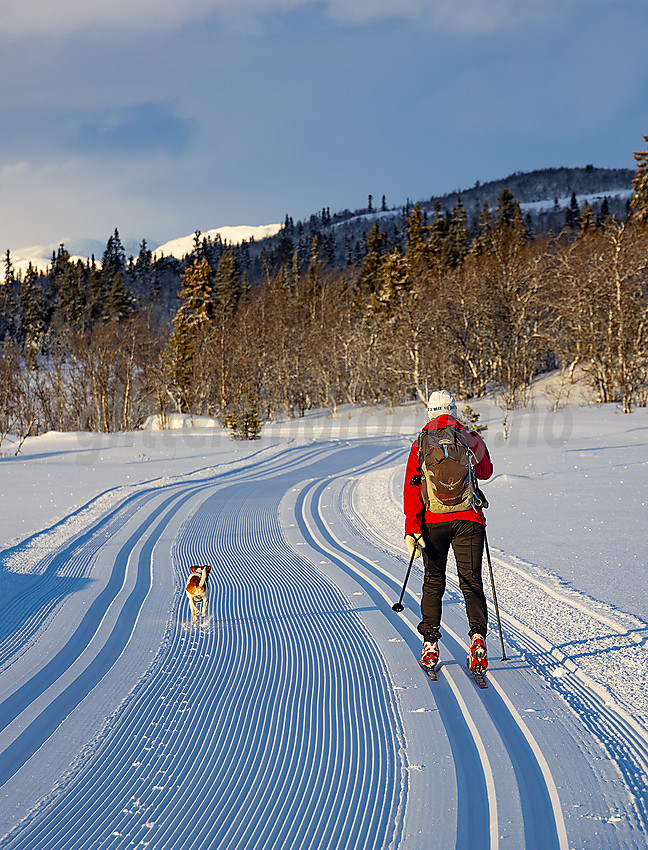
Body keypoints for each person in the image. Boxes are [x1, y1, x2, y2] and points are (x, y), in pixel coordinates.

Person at [403, 389, 493, 673]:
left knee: (433, 581)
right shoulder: (469, 438)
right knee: (471, 581)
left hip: (433, 522)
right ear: (454, 411)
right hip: (469, 520)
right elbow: (486, 472)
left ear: (429, 412)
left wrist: (412, 529)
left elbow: (412, 490)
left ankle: (430, 644)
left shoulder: (420, 445)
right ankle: (477, 640)